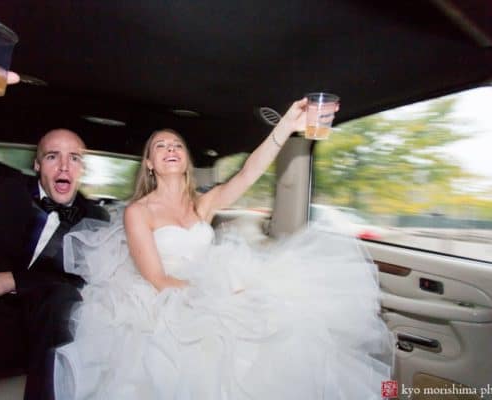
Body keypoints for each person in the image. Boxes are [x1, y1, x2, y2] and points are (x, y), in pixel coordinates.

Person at [54, 99, 394, 399]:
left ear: (186, 161)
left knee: (290, 325)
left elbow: (249, 173)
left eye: (177, 145)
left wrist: (287, 125)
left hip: (213, 289)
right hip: (168, 303)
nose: (171, 149)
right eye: (160, 146)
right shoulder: (138, 212)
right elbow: (157, 279)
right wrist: (217, 293)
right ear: (150, 164)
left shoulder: (203, 205)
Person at [0, 129, 110, 400]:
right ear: (37, 165)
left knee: (65, 299)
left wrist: (14, 279)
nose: (63, 166)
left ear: (82, 168)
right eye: (52, 157)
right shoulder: (5, 188)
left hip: (40, 329)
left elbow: (80, 281)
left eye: (74, 158)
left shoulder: (97, 219)